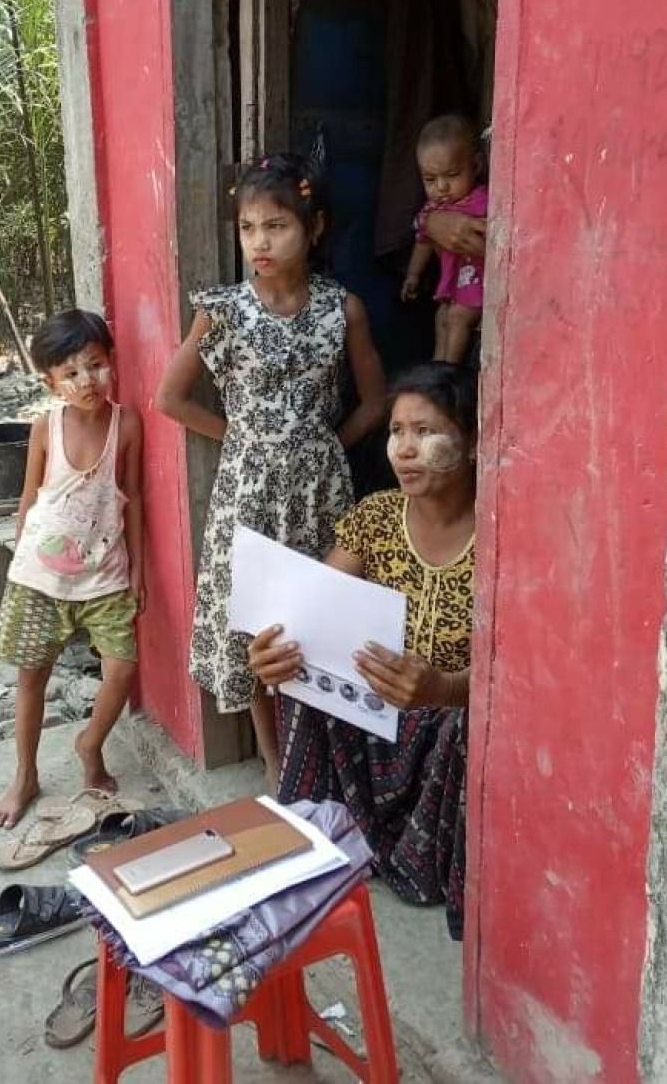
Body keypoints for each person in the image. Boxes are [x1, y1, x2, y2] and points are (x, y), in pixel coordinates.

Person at [157, 152, 386, 791]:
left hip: (323, 489)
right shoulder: (222, 310)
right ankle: (273, 758)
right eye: (249, 227)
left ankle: (327, 751)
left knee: (320, 615)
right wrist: (246, 440)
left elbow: (375, 400)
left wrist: (323, 443)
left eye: (277, 226)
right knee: (257, 620)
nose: (260, 241)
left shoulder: (343, 310)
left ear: (313, 229)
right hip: (247, 492)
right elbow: (169, 399)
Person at [247, 363, 477, 938]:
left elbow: (522, 670)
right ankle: (318, 830)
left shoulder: (505, 531)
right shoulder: (375, 519)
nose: (405, 449)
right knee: (302, 675)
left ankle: (422, 862)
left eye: (426, 432)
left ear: (473, 442)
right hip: (379, 710)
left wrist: (445, 688)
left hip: (448, 716)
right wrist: (271, 651)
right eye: (397, 431)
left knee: (469, 724)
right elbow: (308, 616)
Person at [0, 310, 145, 828]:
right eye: (72, 373)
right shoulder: (45, 427)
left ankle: (89, 743)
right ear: (50, 382)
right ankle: (25, 774)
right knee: (32, 678)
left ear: (111, 363)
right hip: (41, 577)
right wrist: (17, 562)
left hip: (105, 573)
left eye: (95, 366)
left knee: (121, 668)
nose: (87, 382)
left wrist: (140, 569)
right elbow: (30, 498)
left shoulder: (127, 425)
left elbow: (135, 499)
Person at [402, 115, 489, 365]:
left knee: (458, 317)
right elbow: (423, 241)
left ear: (476, 166)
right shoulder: (431, 210)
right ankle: (437, 367)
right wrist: (413, 275)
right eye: (430, 179)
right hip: (453, 287)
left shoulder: (481, 202)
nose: (441, 187)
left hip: (476, 284)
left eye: (452, 175)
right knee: (441, 316)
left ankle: (449, 369)